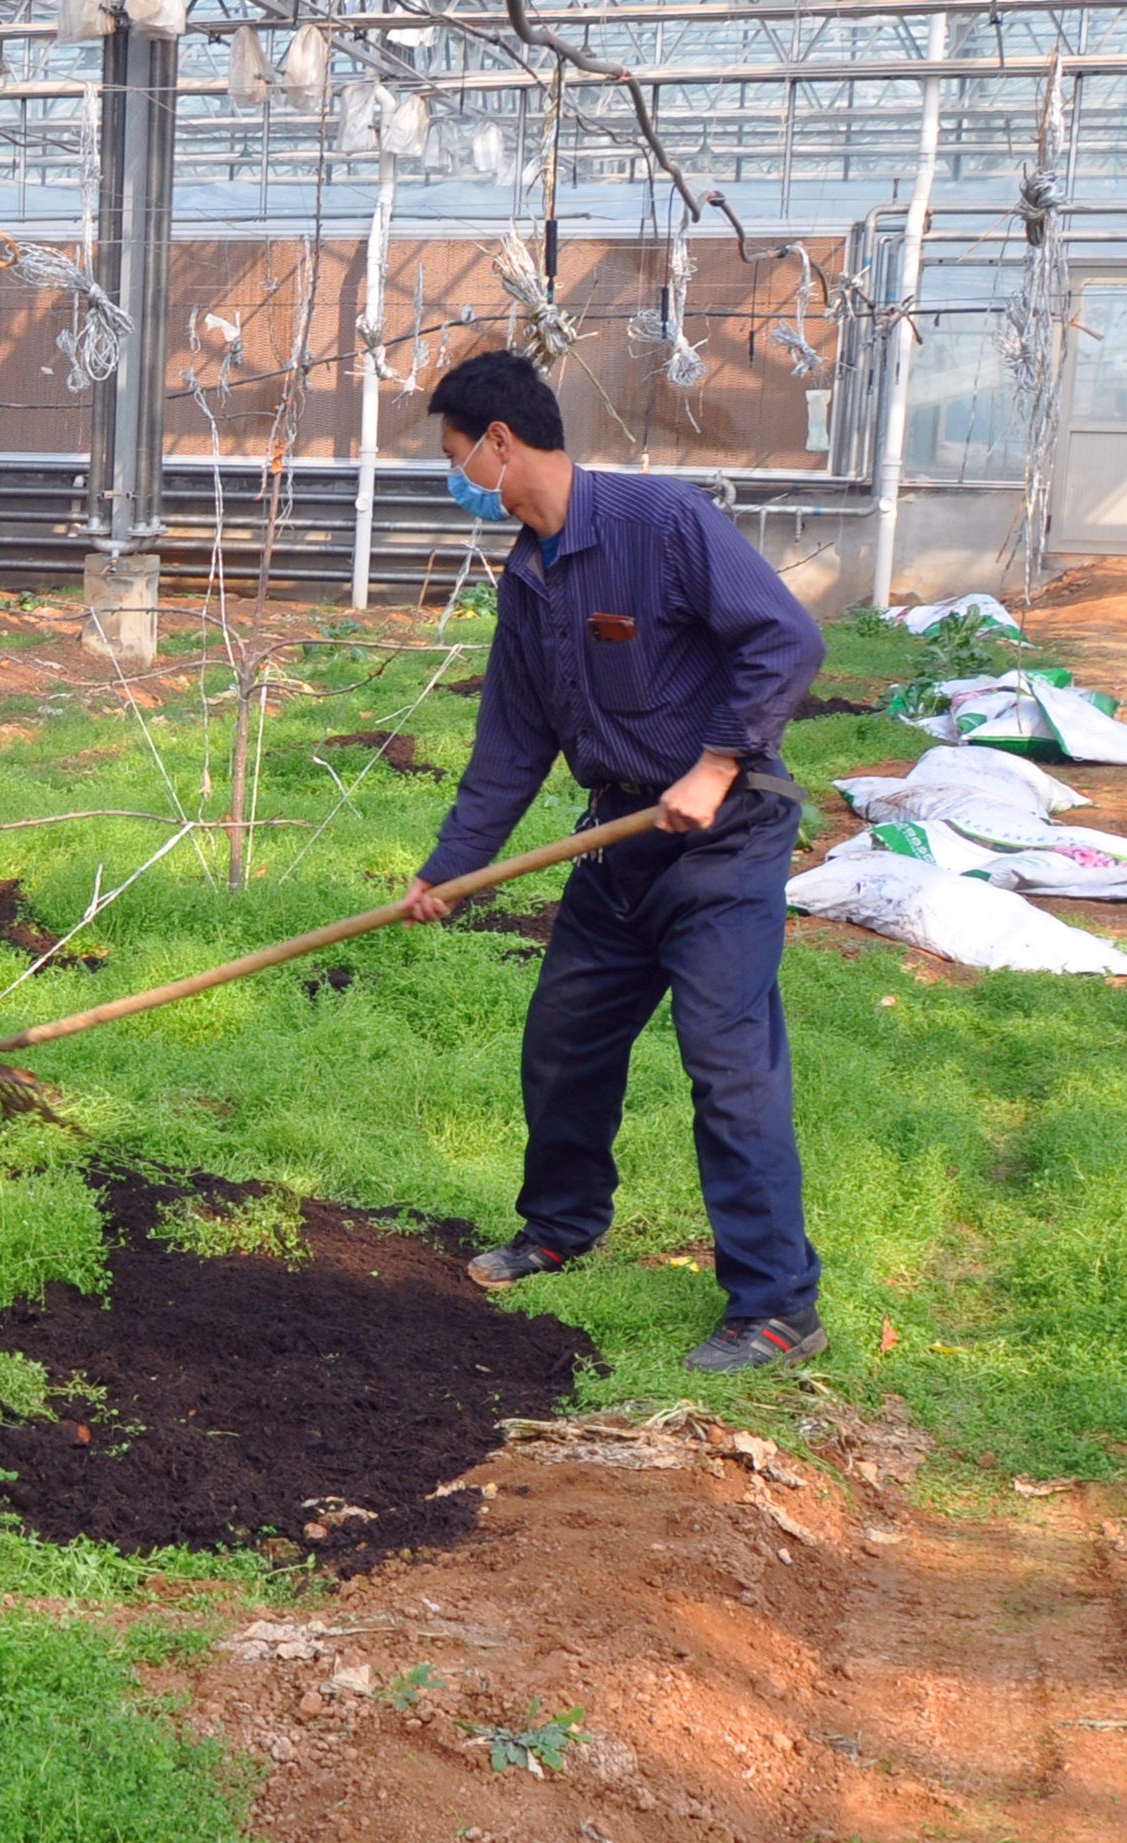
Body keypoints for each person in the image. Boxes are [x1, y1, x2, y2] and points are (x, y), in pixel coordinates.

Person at [400, 349, 831, 1374]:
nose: (461, 481)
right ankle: (560, 1225)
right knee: (564, 1041)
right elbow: (509, 748)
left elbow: (787, 639)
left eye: (459, 459)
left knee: (728, 1067)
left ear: (501, 444)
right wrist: (448, 871)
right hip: (621, 843)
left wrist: (718, 764)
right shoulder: (526, 579)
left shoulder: (661, 523)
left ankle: (776, 1308)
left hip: (723, 839)